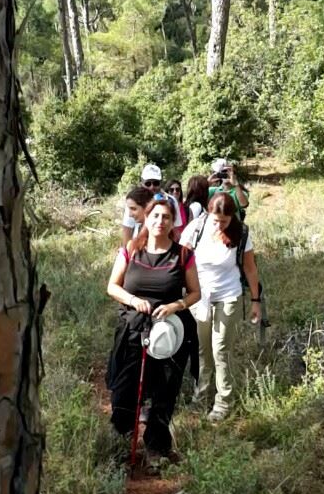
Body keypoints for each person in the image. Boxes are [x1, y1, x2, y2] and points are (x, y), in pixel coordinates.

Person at [107, 196, 201, 464]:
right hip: (133, 329)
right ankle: (120, 447)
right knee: (124, 390)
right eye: (156, 216)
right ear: (146, 219)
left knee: (164, 392)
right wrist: (133, 300)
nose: (160, 221)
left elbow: (195, 293)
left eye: (167, 217)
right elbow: (113, 286)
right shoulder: (131, 249)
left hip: (169, 334)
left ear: (174, 222)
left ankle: (156, 448)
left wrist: (176, 305)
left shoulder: (183, 254)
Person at [180, 192, 261, 422]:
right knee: (203, 350)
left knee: (220, 349)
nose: (218, 225)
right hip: (200, 298)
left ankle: (224, 401)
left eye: (223, 222)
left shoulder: (242, 232)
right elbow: (180, 258)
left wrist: (256, 301)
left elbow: (250, 269)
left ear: (232, 217)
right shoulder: (196, 228)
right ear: (207, 212)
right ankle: (202, 395)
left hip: (228, 296)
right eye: (215, 220)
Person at [121, 164, 183, 244]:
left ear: (161, 182)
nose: (152, 187)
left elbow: (176, 229)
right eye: (148, 183)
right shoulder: (134, 201)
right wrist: (126, 252)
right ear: (142, 182)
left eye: (156, 183)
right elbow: (127, 229)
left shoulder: (171, 200)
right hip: (139, 246)